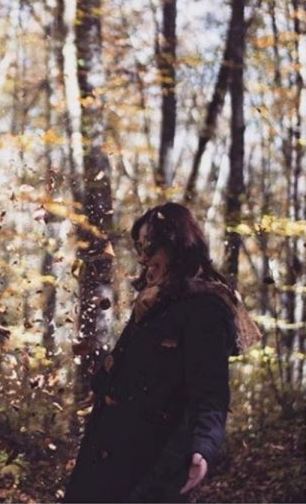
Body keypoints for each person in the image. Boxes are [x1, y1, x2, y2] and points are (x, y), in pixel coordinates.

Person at [64, 202, 261, 503]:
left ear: (178, 245)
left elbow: (210, 391)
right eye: (140, 248)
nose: (144, 258)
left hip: (153, 465)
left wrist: (203, 447)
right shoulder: (153, 301)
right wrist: (101, 384)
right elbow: (122, 363)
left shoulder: (205, 307)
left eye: (151, 248)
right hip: (109, 453)